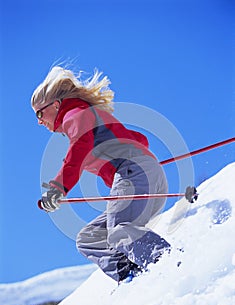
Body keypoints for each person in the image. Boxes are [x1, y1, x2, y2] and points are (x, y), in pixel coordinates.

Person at [31, 66, 171, 283]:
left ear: (56, 105)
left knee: (119, 231)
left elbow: (80, 145)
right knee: (89, 238)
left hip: (132, 173)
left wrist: (58, 187)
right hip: (146, 175)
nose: (39, 121)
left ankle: (170, 265)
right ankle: (132, 276)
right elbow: (140, 138)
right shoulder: (87, 116)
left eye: (40, 113)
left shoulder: (74, 114)